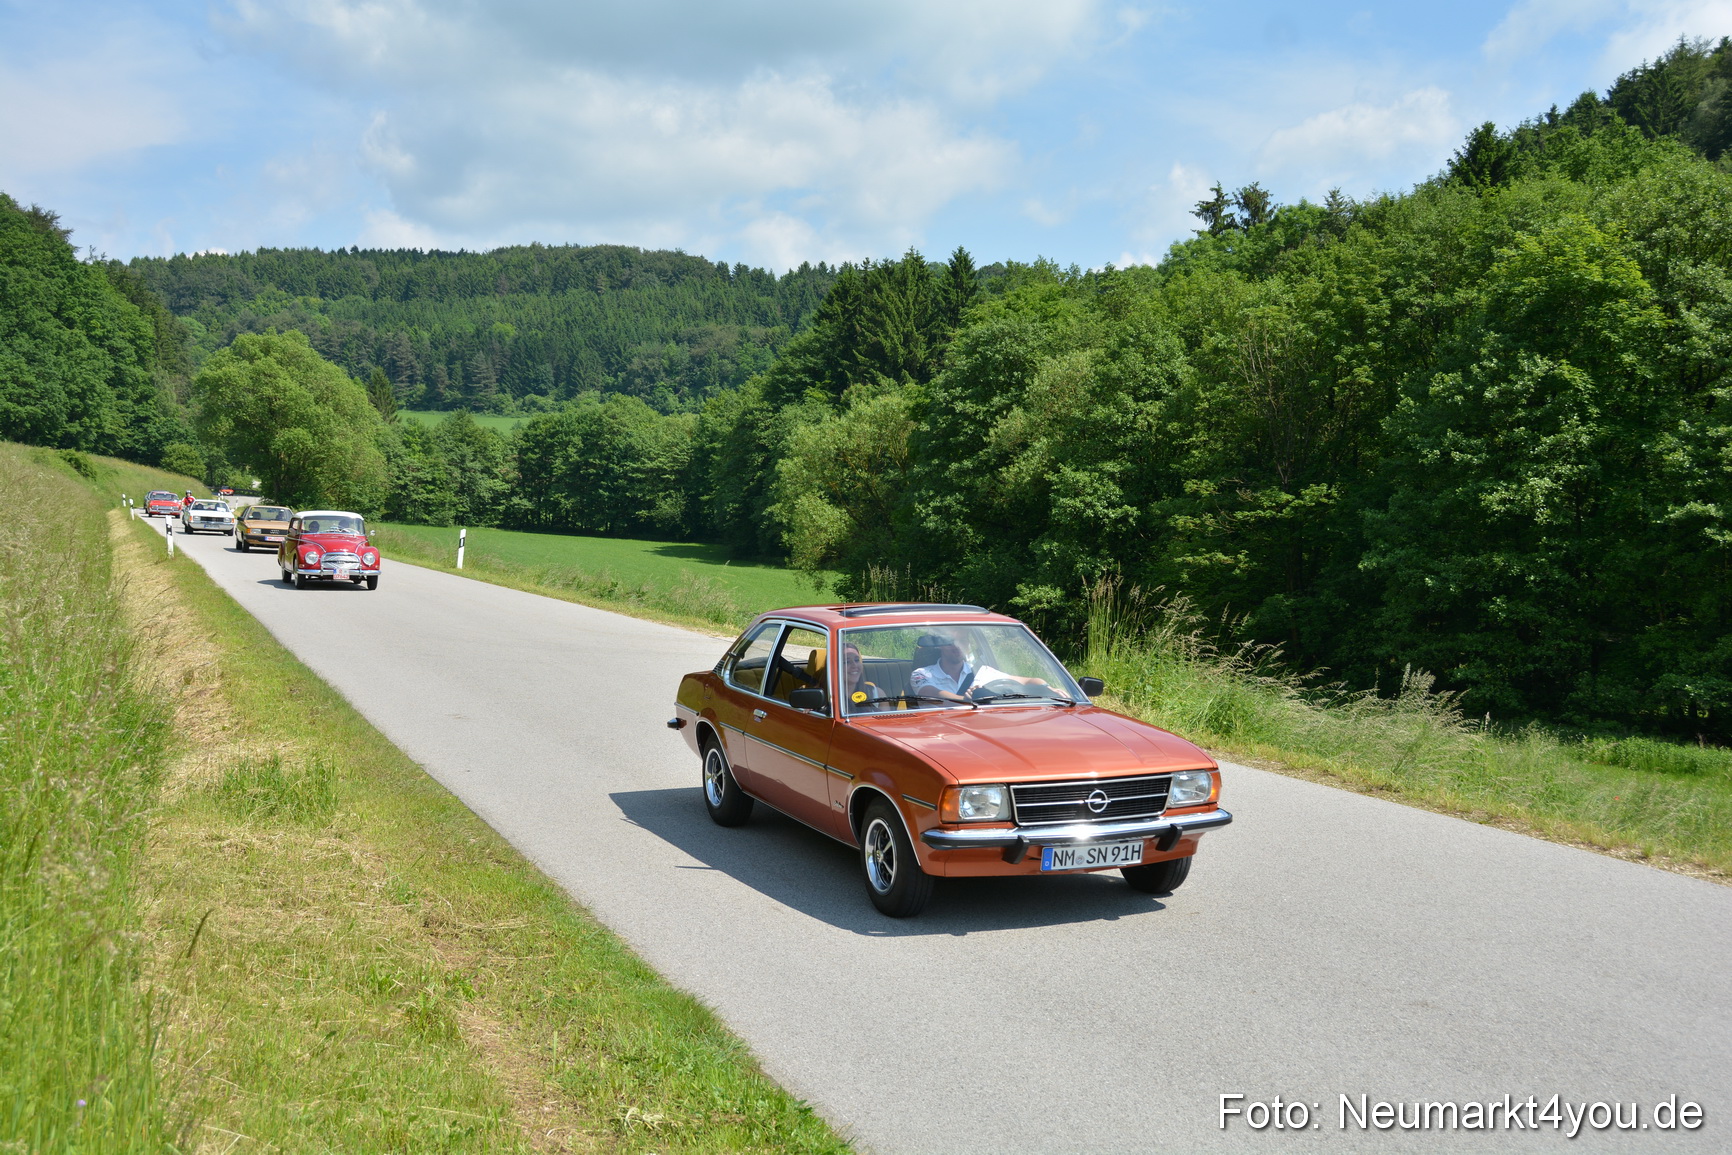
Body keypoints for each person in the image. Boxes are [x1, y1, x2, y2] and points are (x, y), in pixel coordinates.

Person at [910, 633, 1046, 704]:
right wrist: (964, 700)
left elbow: (1030, 681)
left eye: (962, 641)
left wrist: (1047, 688)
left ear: (968, 645)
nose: (957, 646)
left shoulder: (984, 671)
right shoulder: (922, 674)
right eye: (950, 642)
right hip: (936, 733)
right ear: (940, 646)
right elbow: (931, 693)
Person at [841, 643, 886, 712]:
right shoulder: (827, 698)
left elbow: (886, 722)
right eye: (847, 662)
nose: (854, 665)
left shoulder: (877, 694)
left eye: (856, 660)